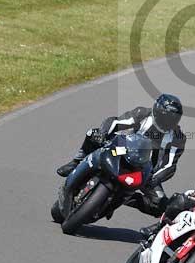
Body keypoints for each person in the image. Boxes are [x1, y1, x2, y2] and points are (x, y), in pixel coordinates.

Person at [56, 93, 186, 217]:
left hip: (145, 172)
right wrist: (103, 133)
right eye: (166, 116)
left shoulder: (178, 137)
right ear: (157, 111)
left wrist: (155, 178)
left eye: (173, 118)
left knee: (160, 205)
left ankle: (124, 198)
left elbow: (169, 165)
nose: (168, 121)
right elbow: (115, 122)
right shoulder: (143, 114)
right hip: (122, 151)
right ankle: (76, 162)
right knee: (92, 134)